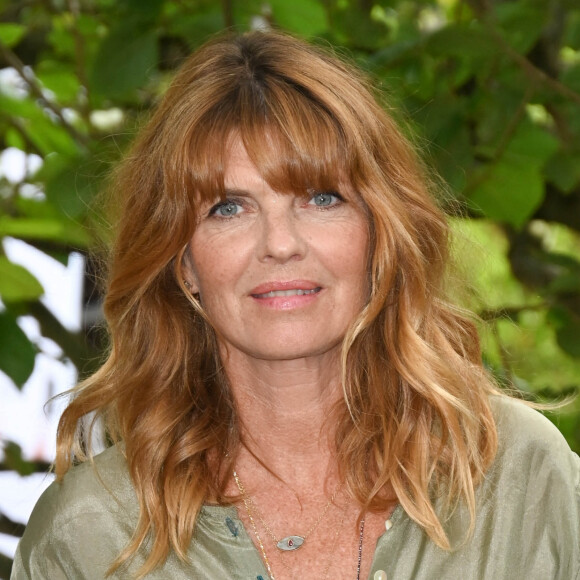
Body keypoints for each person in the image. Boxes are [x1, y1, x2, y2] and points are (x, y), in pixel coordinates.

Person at [11, 30, 579, 580]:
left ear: (379, 234)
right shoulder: (90, 535)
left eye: (321, 198)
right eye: (228, 208)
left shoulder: (520, 479)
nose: (280, 244)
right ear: (182, 260)